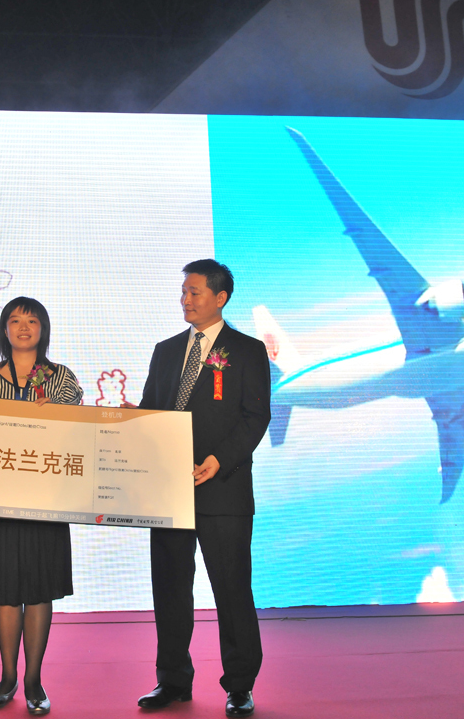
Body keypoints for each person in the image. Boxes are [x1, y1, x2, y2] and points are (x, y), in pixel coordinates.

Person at [134, 259, 271, 718]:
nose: (185, 299)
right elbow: (151, 412)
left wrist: (219, 460)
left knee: (231, 590)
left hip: (223, 489)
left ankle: (240, 685)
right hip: (168, 492)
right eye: (183, 292)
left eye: (194, 292)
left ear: (220, 297)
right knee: (170, 589)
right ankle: (172, 680)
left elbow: (256, 416)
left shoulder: (247, 350)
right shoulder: (166, 351)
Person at [0, 296, 83, 716]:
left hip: (44, 497)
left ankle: (33, 680)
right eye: (14, 320)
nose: (22, 327)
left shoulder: (61, 377)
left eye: (31, 321)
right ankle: (7, 677)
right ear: (4, 329)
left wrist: (57, 415)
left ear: (43, 329)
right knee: (5, 589)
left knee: (38, 588)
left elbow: (76, 429)